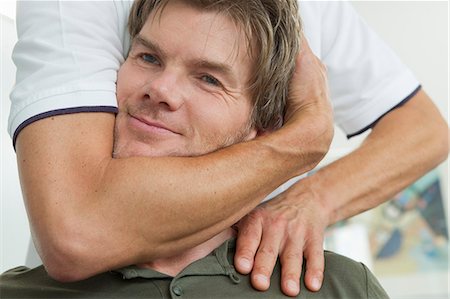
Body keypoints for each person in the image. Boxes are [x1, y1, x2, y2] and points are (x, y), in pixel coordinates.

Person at [7, 0, 449, 297]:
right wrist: (305, 138)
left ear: (261, 124)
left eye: (208, 78)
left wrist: (310, 198)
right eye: (147, 58)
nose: (160, 90)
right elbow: (78, 232)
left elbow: (425, 130)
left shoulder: (343, 287)